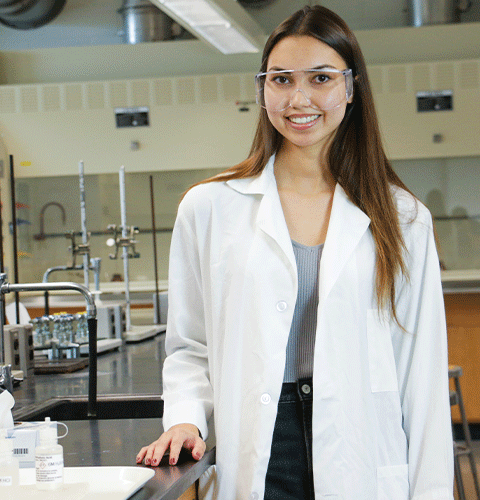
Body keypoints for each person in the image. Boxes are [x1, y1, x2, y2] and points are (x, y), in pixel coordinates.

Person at [136, 5, 453, 500]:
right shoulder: (210, 207)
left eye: (321, 78)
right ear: (262, 89)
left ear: (351, 87)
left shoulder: (404, 217)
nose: (299, 98)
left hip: (362, 443)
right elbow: (190, 347)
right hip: (261, 445)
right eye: (281, 79)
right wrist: (185, 419)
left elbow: (423, 373)